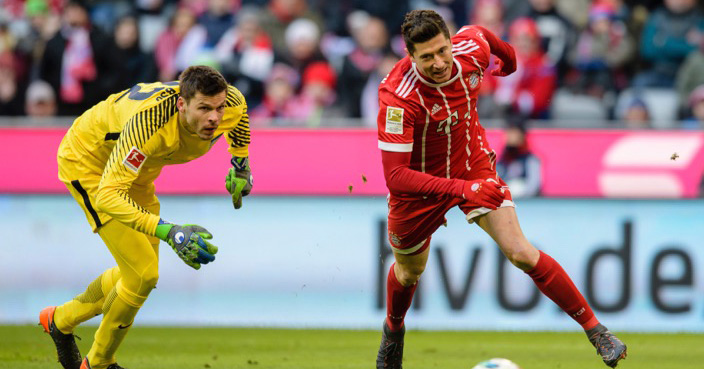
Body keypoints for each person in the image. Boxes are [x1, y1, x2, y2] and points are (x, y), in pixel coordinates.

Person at [375, 10, 627, 369]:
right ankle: (394, 330)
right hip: (419, 186)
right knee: (408, 273)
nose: (439, 63)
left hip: (472, 163)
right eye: (426, 57)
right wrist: (463, 190)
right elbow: (396, 176)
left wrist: (507, 60)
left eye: (442, 50)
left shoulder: (469, 49)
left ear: (450, 42)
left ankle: (597, 332)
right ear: (410, 55)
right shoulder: (397, 98)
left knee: (521, 252)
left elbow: (484, 36)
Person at [38, 65, 253, 369]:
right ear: (182, 104)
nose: (214, 118)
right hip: (89, 162)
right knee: (144, 273)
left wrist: (240, 164)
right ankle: (98, 363)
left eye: (218, 108)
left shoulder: (230, 104)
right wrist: (169, 231)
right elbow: (109, 194)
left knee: (139, 274)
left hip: (135, 173)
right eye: (204, 108)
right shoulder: (149, 124)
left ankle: (59, 320)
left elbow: (239, 120)